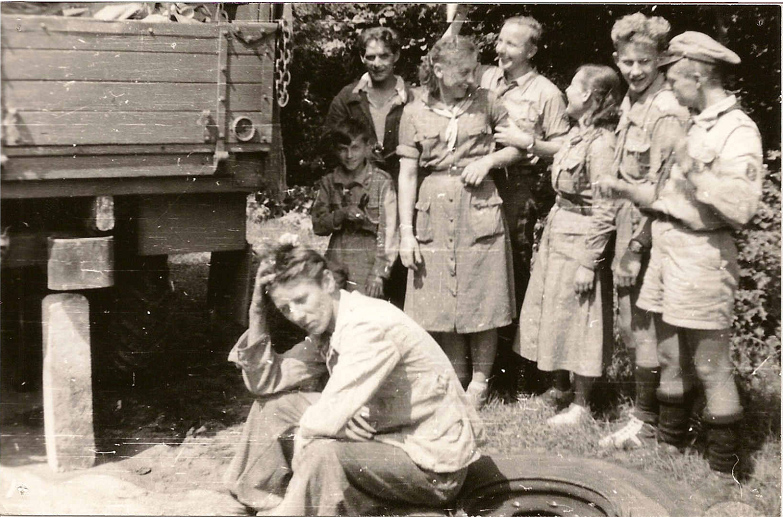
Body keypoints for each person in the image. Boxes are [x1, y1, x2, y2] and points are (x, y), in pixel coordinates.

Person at [595, 32, 763, 473]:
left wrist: (694, 168)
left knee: (710, 365)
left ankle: (724, 469)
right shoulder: (695, 122)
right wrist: (626, 189)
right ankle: (669, 447)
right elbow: (667, 195)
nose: (668, 87)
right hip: (669, 249)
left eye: (673, 78)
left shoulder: (736, 129)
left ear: (697, 75)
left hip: (702, 253)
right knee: (669, 355)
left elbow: (741, 206)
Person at [226, 239, 485, 515]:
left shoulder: (367, 326)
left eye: (301, 299)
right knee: (275, 409)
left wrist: (334, 427)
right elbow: (266, 380)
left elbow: (323, 421)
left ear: (327, 282)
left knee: (322, 452)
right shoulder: (330, 326)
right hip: (388, 430)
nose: (297, 315)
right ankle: (253, 499)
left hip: (430, 462)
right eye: (285, 309)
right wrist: (256, 309)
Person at [397, 35, 523, 410]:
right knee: (442, 301)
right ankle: (458, 377)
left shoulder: (488, 102)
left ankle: (480, 384)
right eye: (464, 72)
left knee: (483, 297)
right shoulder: (414, 112)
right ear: (438, 71)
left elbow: (518, 145)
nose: (472, 78)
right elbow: (406, 174)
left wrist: (489, 162)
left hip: (479, 206)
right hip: (432, 208)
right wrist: (406, 233)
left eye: (474, 70)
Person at [598, 13, 690, 449]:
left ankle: (650, 423)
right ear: (617, 60)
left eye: (644, 63)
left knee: (648, 328)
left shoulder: (666, 112)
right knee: (634, 325)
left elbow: (664, 193)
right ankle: (647, 419)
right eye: (627, 62)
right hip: (627, 225)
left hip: (651, 235)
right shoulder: (632, 104)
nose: (635, 71)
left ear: (661, 62)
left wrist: (636, 248)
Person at [515, 65, 621, 426]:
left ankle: (581, 404)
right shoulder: (579, 135)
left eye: (574, 86)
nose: (567, 90)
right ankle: (560, 389)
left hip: (583, 236)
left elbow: (606, 208)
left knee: (583, 317)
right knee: (554, 310)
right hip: (559, 229)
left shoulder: (603, 143)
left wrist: (590, 261)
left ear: (590, 96)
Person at [481, 16, 571, 314]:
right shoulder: (485, 78)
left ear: (531, 52)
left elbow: (564, 146)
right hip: (480, 179)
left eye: (511, 44)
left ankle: (515, 345)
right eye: (500, 41)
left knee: (512, 259)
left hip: (517, 186)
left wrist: (529, 142)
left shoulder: (547, 93)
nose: (501, 50)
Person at [324, 26, 414, 309]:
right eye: (370, 57)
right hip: (361, 192)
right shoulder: (348, 97)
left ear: (396, 55)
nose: (377, 63)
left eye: (384, 56)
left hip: (405, 188)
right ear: (362, 58)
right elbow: (330, 144)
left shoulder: (413, 97)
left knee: (400, 263)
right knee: (359, 273)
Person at [311, 119, 398, 298]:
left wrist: (379, 273)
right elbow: (318, 226)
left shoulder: (381, 182)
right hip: (336, 254)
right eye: (343, 149)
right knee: (327, 305)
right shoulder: (329, 182)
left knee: (362, 313)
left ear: (367, 147)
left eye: (355, 148)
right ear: (336, 150)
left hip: (367, 258)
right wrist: (341, 214)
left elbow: (389, 233)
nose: (349, 155)